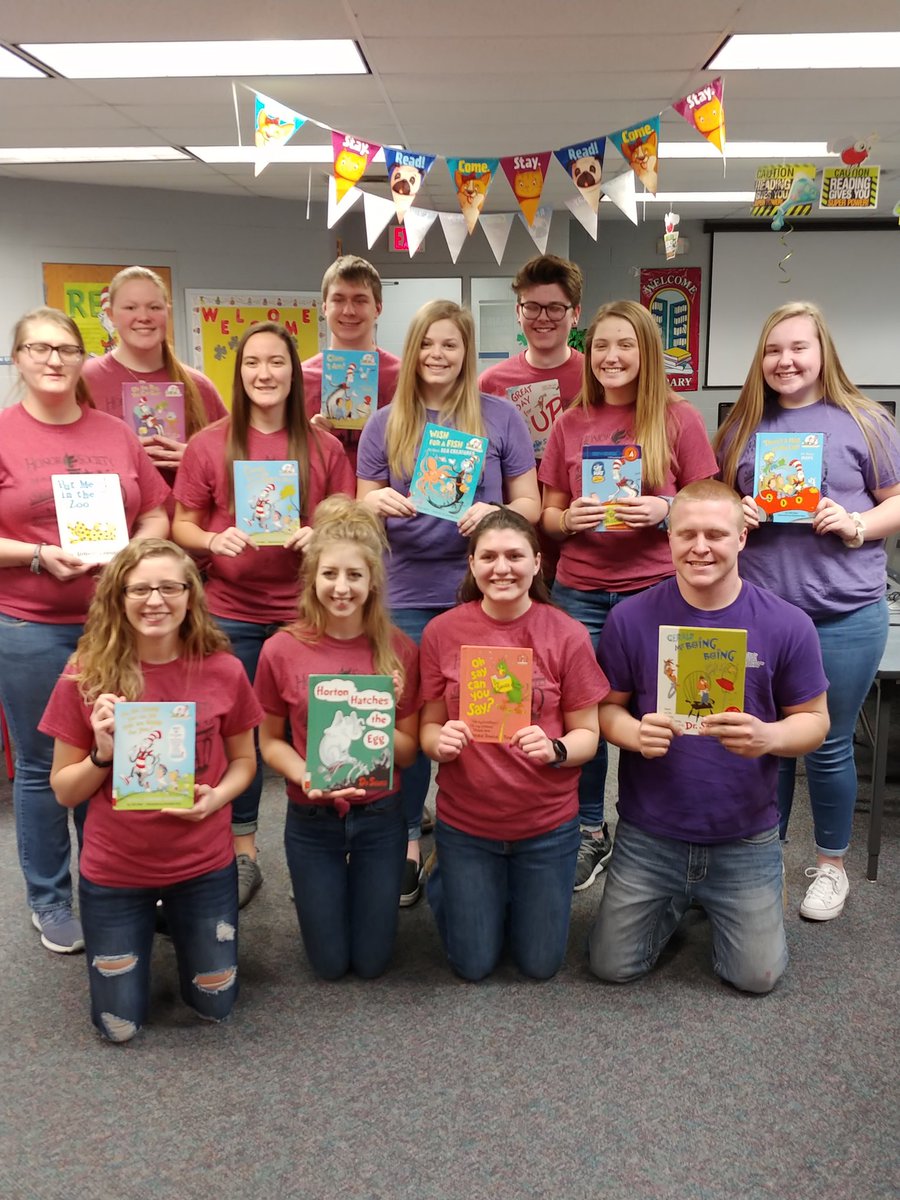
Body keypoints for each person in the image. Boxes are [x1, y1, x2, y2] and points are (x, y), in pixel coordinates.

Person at [589, 480, 830, 993]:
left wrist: (767, 737)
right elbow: (605, 713)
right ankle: (680, 895)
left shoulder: (788, 624)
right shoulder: (629, 618)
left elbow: (815, 721)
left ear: (743, 538)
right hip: (650, 832)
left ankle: (736, 889)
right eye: (687, 534)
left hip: (744, 834)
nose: (700, 547)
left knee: (756, 978)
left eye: (717, 535)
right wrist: (632, 732)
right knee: (611, 967)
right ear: (668, 538)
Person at [715, 301, 900, 920]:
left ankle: (829, 866)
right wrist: (733, 511)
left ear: (823, 353)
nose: (785, 360)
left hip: (844, 614)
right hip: (763, 616)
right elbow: (713, 505)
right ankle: (761, 853)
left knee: (827, 745)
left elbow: (896, 501)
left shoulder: (865, 421)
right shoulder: (742, 425)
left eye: (798, 348)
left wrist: (856, 523)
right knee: (766, 743)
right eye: (773, 350)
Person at [39, 538, 262, 1042]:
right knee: (118, 1026)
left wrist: (217, 798)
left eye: (169, 587)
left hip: (203, 865)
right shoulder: (86, 676)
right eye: (139, 589)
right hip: (117, 870)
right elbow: (64, 792)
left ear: (190, 595)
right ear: (118, 598)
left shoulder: (224, 670)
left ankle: (176, 927)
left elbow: (245, 762)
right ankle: (145, 927)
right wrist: (102, 754)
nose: (155, 600)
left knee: (216, 1006)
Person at [357, 299, 539, 905]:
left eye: (450, 345)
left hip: (481, 593)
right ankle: (409, 840)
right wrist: (373, 503)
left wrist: (498, 512)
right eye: (427, 344)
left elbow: (532, 509)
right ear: (412, 352)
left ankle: (477, 833)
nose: (437, 355)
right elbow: (360, 506)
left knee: (488, 713)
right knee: (408, 724)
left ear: (468, 353)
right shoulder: (386, 422)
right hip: (405, 592)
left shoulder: (500, 417)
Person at [0, 307, 169, 955]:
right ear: (17, 358)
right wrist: (37, 556)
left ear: (82, 357)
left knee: (123, 754)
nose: (53, 360)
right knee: (45, 768)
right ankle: (49, 896)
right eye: (38, 349)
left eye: (66, 349)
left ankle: (118, 884)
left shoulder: (114, 432)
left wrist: (132, 559)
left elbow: (156, 510)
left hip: (116, 627)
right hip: (31, 624)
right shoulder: (5, 432)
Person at [172, 321, 354, 906]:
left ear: (293, 373)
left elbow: (346, 521)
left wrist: (317, 532)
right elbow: (182, 523)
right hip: (231, 611)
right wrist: (209, 541)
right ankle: (242, 849)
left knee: (321, 725)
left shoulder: (323, 447)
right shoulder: (211, 443)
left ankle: (333, 837)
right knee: (236, 730)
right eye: (253, 363)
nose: (264, 374)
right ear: (240, 372)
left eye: (276, 362)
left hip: (308, 614)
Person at [540, 300, 717, 892]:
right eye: (601, 347)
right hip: (581, 591)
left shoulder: (678, 419)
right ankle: (592, 829)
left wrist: (666, 509)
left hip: (657, 590)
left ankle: (653, 829)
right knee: (583, 715)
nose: (611, 357)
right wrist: (570, 520)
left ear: (646, 352)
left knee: (660, 713)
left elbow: (707, 501)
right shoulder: (569, 422)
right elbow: (546, 514)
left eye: (625, 345)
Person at [419, 507, 609, 981]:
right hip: (468, 825)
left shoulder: (566, 633)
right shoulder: (442, 633)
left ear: (537, 562)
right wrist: (439, 742)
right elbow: (427, 727)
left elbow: (589, 735)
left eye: (514, 556)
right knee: (473, 965)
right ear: (471, 564)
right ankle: (451, 876)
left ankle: (501, 889)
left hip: (546, 826)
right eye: (488, 557)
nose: (501, 567)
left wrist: (556, 748)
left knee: (540, 965)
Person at [255, 497, 419, 979]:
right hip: (311, 815)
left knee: (371, 964)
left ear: (372, 583)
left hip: (381, 815)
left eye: (354, 576)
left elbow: (409, 752)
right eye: (329, 575)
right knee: (328, 966)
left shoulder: (398, 650)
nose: (341, 588)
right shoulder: (280, 650)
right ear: (311, 579)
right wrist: (305, 775)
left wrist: (383, 715)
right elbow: (269, 742)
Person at [479, 254, 584, 582]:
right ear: (518, 312)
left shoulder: (597, 377)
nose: (543, 318)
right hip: (509, 541)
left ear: (575, 314)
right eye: (532, 307)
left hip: (582, 541)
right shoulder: (491, 383)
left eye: (555, 308)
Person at [82, 265, 227, 480]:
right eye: (130, 308)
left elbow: (236, 458)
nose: (144, 316)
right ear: (111, 315)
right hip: (113, 512)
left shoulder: (199, 386)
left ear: (167, 312)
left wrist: (198, 458)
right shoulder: (84, 380)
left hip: (186, 512)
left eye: (154, 307)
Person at [302, 255, 402, 470]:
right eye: (338, 299)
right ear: (325, 308)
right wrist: (306, 440)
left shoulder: (403, 376)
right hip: (321, 499)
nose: (349, 311)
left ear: (377, 309)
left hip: (386, 499)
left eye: (360, 300)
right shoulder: (299, 378)